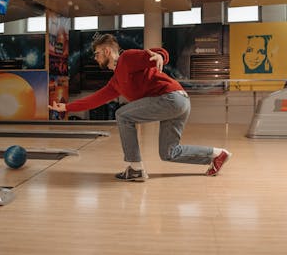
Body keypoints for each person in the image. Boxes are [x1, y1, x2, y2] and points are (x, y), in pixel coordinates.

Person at [49, 34, 231, 181]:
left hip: (171, 98)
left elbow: (154, 55)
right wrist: (67, 107)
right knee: (168, 153)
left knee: (122, 115)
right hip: (178, 101)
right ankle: (216, 154)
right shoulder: (116, 82)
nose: (95, 58)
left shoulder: (126, 59)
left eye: (97, 53)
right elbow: (95, 100)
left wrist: (160, 56)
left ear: (106, 51)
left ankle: (135, 168)